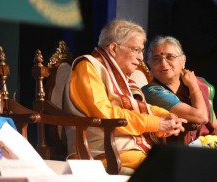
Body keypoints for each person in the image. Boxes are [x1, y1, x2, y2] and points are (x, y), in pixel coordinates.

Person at [63, 19, 187, 172]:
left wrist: (167, 116)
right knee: (173, 168)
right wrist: (156, 123)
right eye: (136, 49)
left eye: (141, 51)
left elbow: (140, 107)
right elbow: (105, 114)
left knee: (180, 165)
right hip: (101, 151)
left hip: (126, 146)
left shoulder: (121, 76)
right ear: (114, 48)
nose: (141, 57)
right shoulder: (88, 67)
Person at [141, 36, 217, 149]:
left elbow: (214, 124)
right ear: (149, 64)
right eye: (156, 58)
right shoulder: (152, 92)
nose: (163, 63)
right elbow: (201, 117)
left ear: (183, 60)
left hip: (209, 151)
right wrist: (193, 87)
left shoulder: (201, 83)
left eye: (170, 57)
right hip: (178, 154)